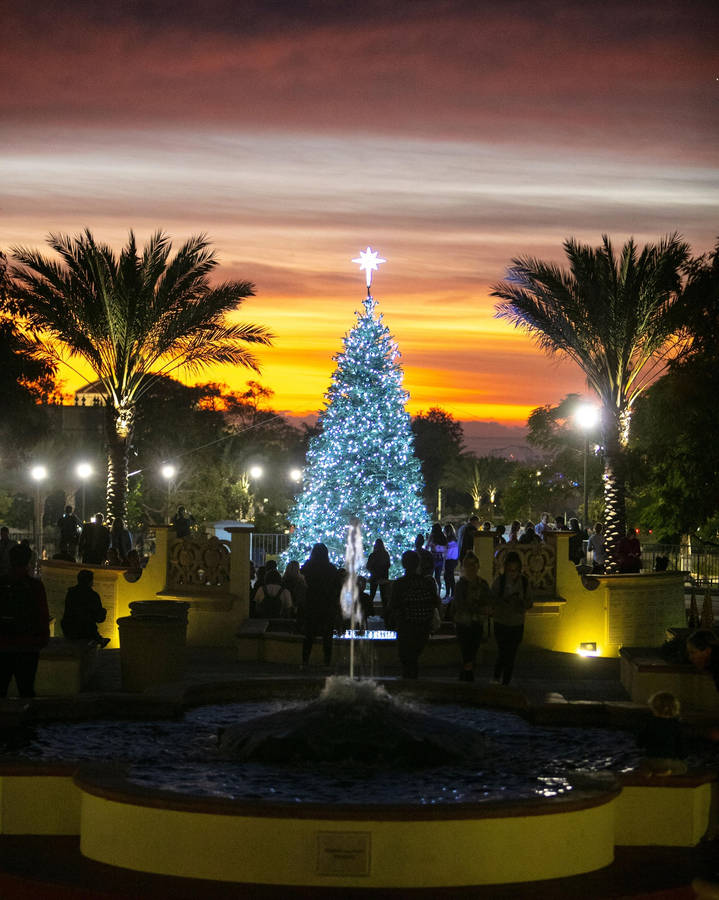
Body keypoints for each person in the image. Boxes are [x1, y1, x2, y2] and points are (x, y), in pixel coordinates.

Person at [0, 543, 50, 697]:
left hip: (3, 643)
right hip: (28, 645)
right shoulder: (35, 586)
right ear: (28, 562)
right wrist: (42, 639)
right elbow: (42, 614)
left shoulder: (2, 583)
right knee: (26, 689)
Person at [386, 549, 440, 679]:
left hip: (406, 625)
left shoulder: (400, 583)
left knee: (406, 658)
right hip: (423, 625)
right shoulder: (427, 582)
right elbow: (436, 602)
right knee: (414, 657)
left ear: (404, 564)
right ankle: (413, 681)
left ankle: (408, 682)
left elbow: (392, 605)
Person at [490, 550, 532, 686]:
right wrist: (504, 601)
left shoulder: (524, 582)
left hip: (517, 623)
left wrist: (520, 603)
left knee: (512, 653)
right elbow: (492, 599)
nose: (512, 573)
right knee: (503, 651)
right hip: (501, 621)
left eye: (515, 570)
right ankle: (497, 677)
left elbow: (529, 602)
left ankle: (505, 681)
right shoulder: (500, 582)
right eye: (510, 570)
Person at [300, 543, 342, 668]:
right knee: (327, 635)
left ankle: (305, 661)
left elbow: (302, 575)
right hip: (327, 605)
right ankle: (327, 662)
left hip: (312, 603)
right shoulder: (331, 569)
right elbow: (337, 588)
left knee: (309, 635)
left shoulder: (309, 567)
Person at [453, 551, 492, 682]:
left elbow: (488, 600)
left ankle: (466, 675)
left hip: (476, 622)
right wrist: (479, 608)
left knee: (472, 651)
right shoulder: (460, 585)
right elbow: (460, 604)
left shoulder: (483, 584)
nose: (471, 568)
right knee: (467, 651)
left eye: (474, 565)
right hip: (464, 623)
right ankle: (467, 676)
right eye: (468, 565)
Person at [637, 691, 687, 775]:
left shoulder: (649, 723)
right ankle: (667, 772)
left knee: (641, 762)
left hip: (650, 761)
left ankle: (649, 771)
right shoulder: (677, 725)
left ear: (654, 708)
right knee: (683, 768)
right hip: (669, 762)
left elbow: (639, 743)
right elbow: (682, 748)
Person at [61, 569, 110, 647]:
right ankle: (99, 639)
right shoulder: (93, 595)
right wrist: (104, 612)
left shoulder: (71, 593)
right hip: (86, 633)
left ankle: (99, 638)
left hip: (69, 630)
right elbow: (99, 618)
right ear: (90, 581)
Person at [366, 538, 391, 610]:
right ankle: (385, 612)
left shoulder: (373, 555)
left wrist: (373, 570)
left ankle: (369, 610)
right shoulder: (386, 554)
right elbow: (388, 565)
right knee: (384, 596)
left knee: (372, 594)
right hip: (383, 577)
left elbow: (368, 566)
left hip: (374, 577)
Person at [426, 523, 447, 597]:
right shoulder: (443, 537)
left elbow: (427, 546)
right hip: (440, 559)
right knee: (437, 577)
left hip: (433, 558)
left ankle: (430, 592)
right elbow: (446, 548)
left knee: (430, 576)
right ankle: (438, 593)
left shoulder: (432, 536)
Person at [443, 523, 459, 602]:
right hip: (453, 560)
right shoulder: (455, 539)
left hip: (449, 560)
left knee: (448, 577)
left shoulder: (448, 540)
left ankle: (449, 593)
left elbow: (446, 550)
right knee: (450, 576)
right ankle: (451, 593)